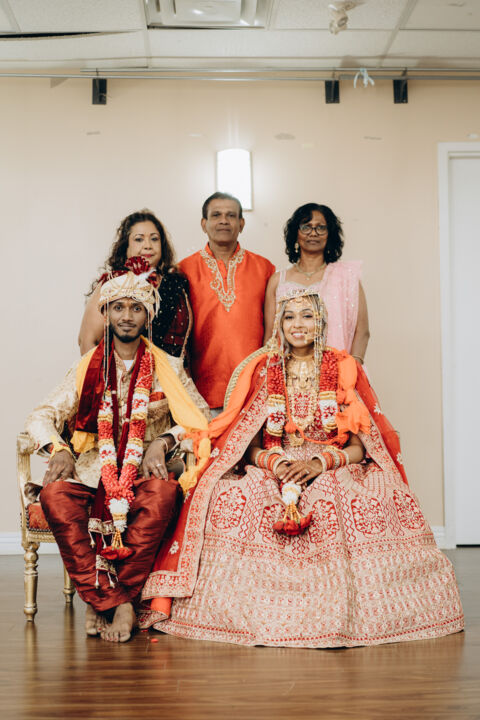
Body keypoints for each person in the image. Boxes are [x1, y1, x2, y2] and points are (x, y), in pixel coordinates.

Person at [139, 289, 464, 648]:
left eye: (307, 316)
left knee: (340, 493)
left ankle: (343, 608)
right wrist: (277, 464)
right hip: (275, 462)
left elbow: (360, 446)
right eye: (289, 317)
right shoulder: (266, 369)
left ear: (321, 322)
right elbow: (247, 445)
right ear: (279, 325)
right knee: (235, 493)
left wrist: (319, 463)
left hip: (330, 462)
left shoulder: (343, 367)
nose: (298, 325)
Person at [26, 261, 210, 643]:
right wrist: (59, 448)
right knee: (54, 496)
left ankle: (102, 601)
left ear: (148, 316)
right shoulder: (85, 367)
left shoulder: (169, 367)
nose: (127, 316)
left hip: (141, 474)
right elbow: (42, 414)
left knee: (163, 494)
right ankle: (119, 602)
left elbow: (201, 419)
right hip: (92, 473)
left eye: (136, 308)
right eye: (119, 307)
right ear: (106, 313)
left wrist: (163, 442)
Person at [179, 192, 275, 412]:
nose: (224, 220)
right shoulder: (183, 270)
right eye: (216, 215)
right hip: (200, 393)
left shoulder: (265, 269)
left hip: (255, 391)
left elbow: (273, 331)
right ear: (204, 224)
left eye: (231, 215)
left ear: (241, 224)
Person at [79, 209, 192, 362]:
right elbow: (87, 340)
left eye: (154, 239)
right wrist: (108, 377)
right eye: (139, 239)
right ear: (126, 246)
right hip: (123, 374)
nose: (148, 245)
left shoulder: (177, 284)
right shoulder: (113, 283)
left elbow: (187, 346)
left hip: (173, 374)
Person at [264, 203, 369, 363]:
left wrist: (352, 368)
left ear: (329, 234)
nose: (313, 233)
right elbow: (270, 336)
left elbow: (362, 331)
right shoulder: (278, 280)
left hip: (338, 370)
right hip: (288, 372)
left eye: (321, 228)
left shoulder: (346, 277)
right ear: (296, 233)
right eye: (306, 227)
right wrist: (272, 371)